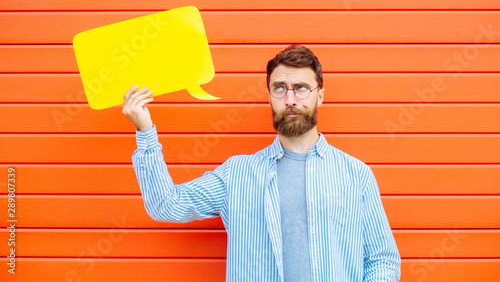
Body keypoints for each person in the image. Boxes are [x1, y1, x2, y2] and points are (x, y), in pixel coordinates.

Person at [123, 45, 401, 281]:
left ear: (320, 95)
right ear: (270, 95)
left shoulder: (355, 174)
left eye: (301, 88)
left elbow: (383, 260)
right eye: (280, 88)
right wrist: (145, 131)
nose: (290, 99)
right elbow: (166, 206)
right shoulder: (237, 174)